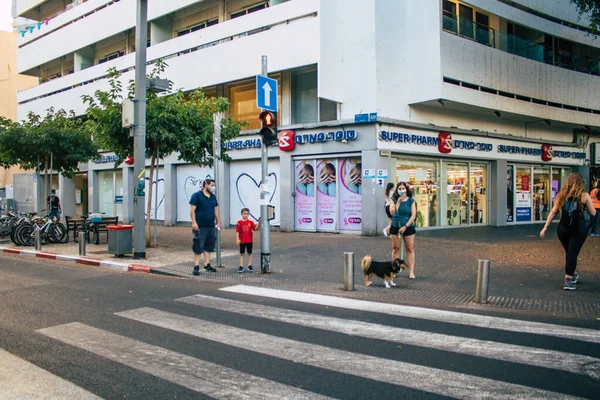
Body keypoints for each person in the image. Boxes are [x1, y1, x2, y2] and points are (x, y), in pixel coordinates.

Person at [540, 173, 596, 290]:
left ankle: (572, 274)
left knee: (570, 252)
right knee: (572, 253)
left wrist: (545, 227)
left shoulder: (561, 195)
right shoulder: (584, 196)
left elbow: (553, 212)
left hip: (563, 229)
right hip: (578, 229)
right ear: (581, 183)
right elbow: (593, 213)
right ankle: (568, 280)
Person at [189, 179, 221, 275]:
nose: (213, 187)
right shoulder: (197, 196)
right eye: (211, 185)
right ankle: (196, 266)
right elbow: (192, 210)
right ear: (205, 185)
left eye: (214, 185)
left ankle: (207, 264)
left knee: (209, 245)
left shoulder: (213, 197)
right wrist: (194, 222)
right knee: (198, 245)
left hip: (210, 225)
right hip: (200, 226)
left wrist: (218, 221)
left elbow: (216, 210)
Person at [389, 181, 417, 279]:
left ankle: (411, 271)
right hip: (396, 226)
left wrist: (405, 226)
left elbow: (413, 215)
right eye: (399, 188)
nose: (401, 190)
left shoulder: (411, 200)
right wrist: (398, 203)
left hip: (408, 226)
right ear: (397, 190)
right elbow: (392, 212)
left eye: (403, 188)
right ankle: (394, 269)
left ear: (406, 189)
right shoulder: (394, 199)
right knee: (395, 248)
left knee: (410, 248)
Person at [236, 208, 260, 273]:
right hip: (242, 240)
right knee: (241, 253)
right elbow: (237, 231)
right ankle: (241, 266)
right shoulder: (239, 222)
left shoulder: (250, 222)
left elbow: (255, 228)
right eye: (244, 214)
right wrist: (237, 239)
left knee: (249, 253)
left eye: (247, 214)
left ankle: (249, 265)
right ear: (241, 214)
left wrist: (259, 223)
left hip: (249, 240)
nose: (245, 215)